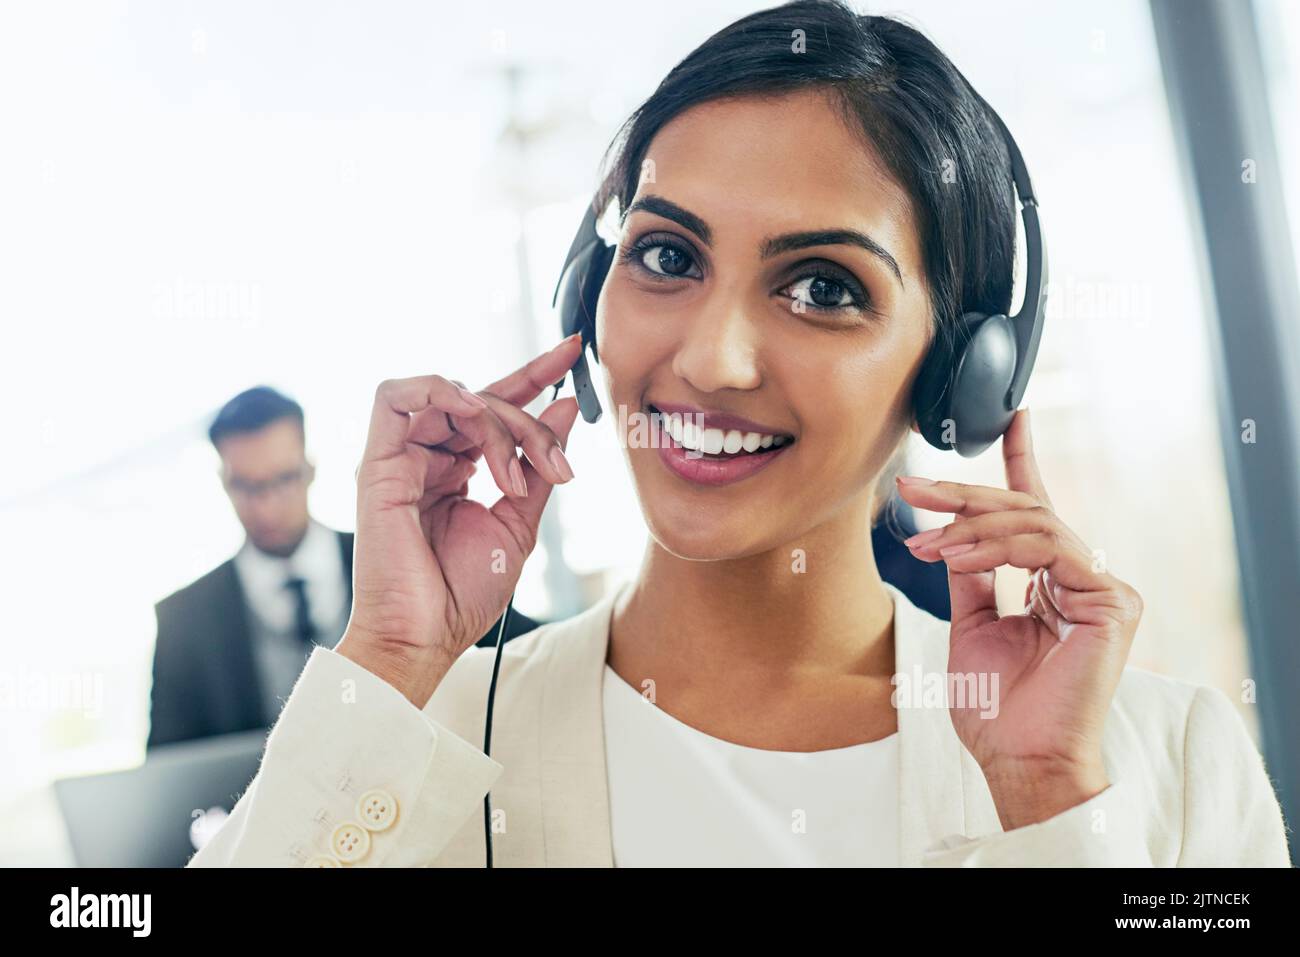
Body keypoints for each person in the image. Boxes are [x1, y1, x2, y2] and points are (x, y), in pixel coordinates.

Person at [189, 0, 1290, 866]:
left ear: (961, 370)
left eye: (821, 286)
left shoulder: (1164, 757)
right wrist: (387, 660)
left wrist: (1048, 801)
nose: (713, 358)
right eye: (666, 257)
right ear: (587, 301)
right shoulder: (415, 740)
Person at [147, 385, 541, 748]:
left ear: (310, 470)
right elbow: (167, 776)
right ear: (224, 483)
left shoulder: (411, 553)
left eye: (283, 479)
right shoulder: (182, 619)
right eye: (248, 487)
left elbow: (528, 655)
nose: (267, 505)